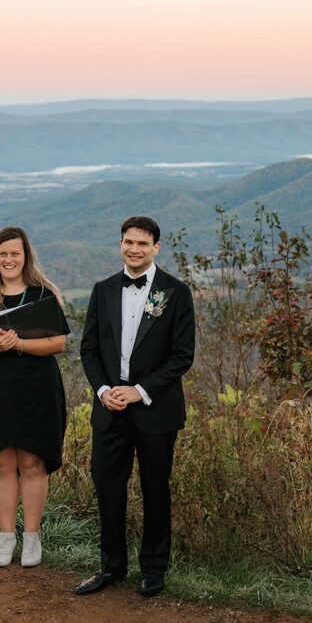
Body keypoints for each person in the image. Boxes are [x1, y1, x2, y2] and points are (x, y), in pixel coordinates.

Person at [75, 216, 195, 598]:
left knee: (155, 489)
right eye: (128, 242)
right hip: (110, 408)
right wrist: (104, 389)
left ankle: (154, 570)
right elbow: (89, 349)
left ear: (156, 247)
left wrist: (139, 390)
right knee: (108, 488)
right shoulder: (103, 289)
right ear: (120, 243)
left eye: (142, 243)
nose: (134, 249)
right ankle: (111, 567)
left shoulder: (176, 292)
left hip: (155, 409)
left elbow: (182, 356)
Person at [0, 226, 70, 568]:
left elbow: (58, 343)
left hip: (36, 389)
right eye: (2, 253)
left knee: (32, 463)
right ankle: (6, 538)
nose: (8, 259)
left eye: (15, 254)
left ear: (26, 256)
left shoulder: (42, 294)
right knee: (2, 464)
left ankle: (32, 538)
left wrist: (18, 343)